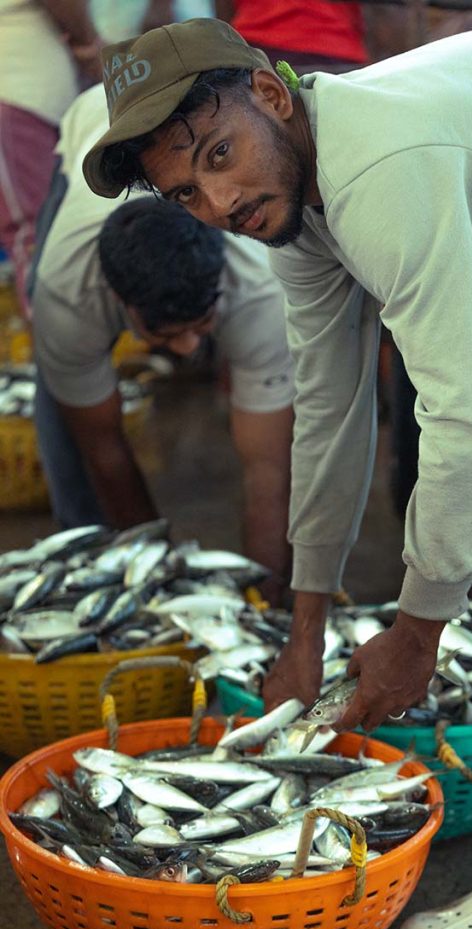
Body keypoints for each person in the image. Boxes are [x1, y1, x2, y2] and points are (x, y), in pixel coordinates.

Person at [82, 19, 472, 929]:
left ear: (272, 95)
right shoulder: (296, 207)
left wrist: (421, 627)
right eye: (187, 189)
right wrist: (307, 623)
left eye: (221, 154)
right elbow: (329, 414)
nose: (220, 200)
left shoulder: (382, 167)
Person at [33, 84, 294, 595]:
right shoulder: (66, 294)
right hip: (91, 127)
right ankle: (93, 555)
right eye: (166, 336)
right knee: (65, 411)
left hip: (163, 142)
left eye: (201, 327)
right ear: (122, 306)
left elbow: (268, 470)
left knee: (281, 446)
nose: (188, 349)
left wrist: (264, 602)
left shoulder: (258, 288)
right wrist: (157, 583)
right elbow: (104, 449)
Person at [0, 0, 101, 315]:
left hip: (27, 98)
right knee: (35, 239)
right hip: (15, 95)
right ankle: (60, 356)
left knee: (50, 235)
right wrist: (89, 45)